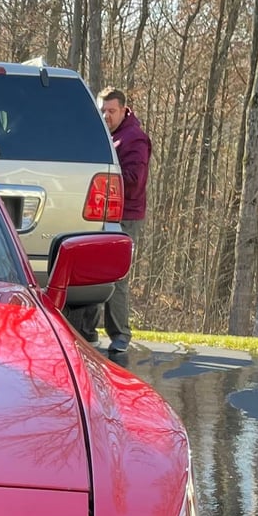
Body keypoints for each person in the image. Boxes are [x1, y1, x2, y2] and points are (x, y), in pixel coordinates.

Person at [98, 89, 152, 358]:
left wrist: (103, 175)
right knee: (92, 274)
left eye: (111, 111)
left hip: (127, 216)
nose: (106, 115)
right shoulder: (107, 136)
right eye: (103, 110)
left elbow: (134, 180)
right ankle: (85, 332)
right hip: (102, 214)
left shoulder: (134, 139)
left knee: (117, 276)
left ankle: (120, 336)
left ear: (124, 110)